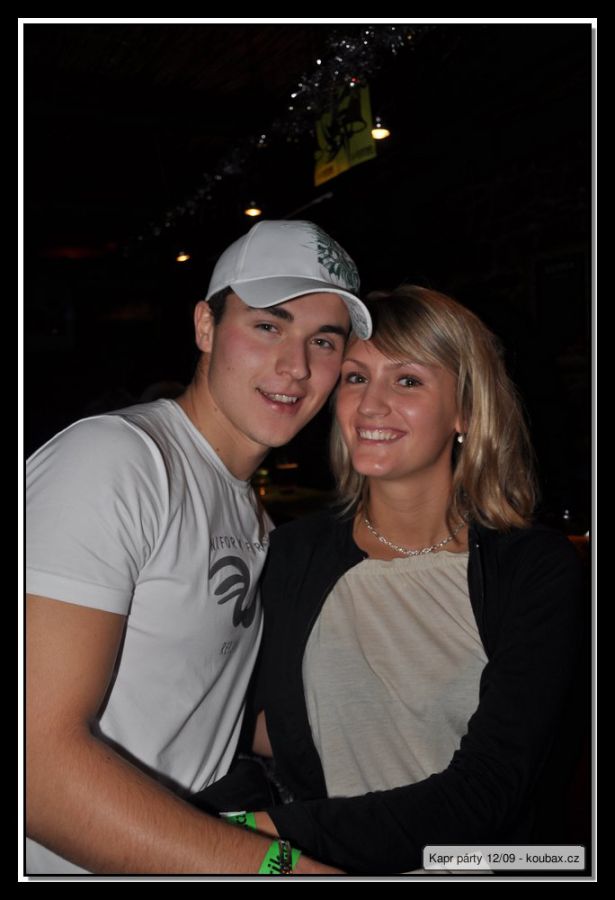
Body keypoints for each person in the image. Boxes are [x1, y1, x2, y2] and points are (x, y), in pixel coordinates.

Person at [194, 285, 583, 875]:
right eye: (355, 378)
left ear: (465, 411)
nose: (371, 405)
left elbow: (487, 792)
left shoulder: (533, 569)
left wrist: (255, 835)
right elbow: (249, 723)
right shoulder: (291, 555)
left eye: (407, 381)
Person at [25, 219, 372, 875]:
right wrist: (283, 869)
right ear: (205, 327)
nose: (295, 366)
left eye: (323, 341)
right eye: (267, 325)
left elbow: (194, 705)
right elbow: (34, 768)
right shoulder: (118, 462)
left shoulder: (250, 515)